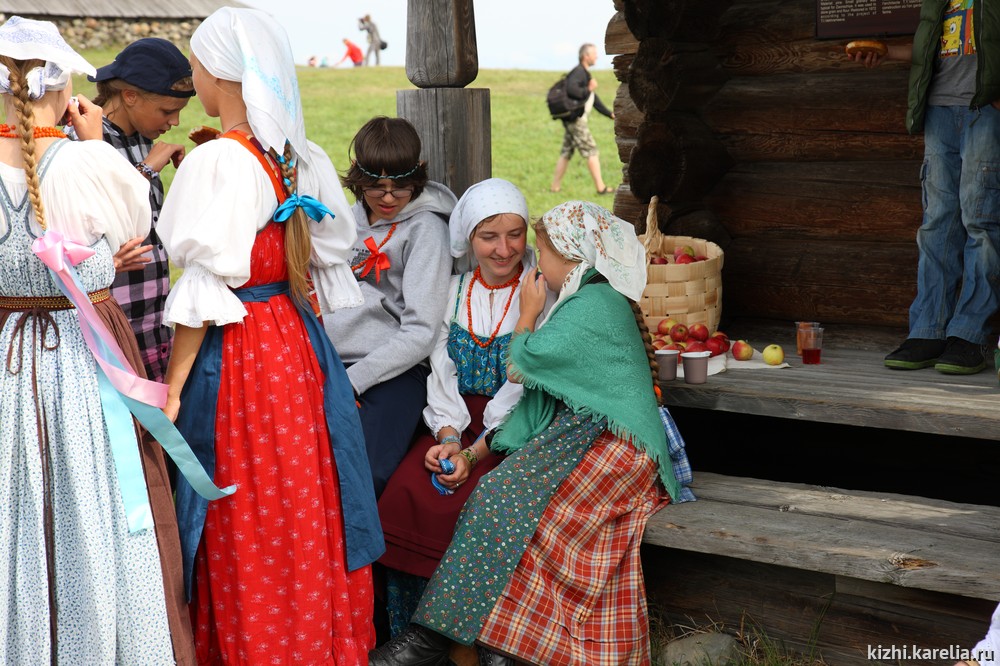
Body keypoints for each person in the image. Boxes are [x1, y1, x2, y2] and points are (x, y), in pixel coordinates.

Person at [370, 201, 691, 666]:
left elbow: (523, 364)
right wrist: (479, 453)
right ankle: (485, 646)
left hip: (622, 448)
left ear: (573, 256)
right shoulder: (582, 297)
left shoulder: (593, 302)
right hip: (585, 435)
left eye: (541, 251)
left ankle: (448, 642)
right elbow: (542, 404)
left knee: (516, 503)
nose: (536, 263)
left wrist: (526, 313)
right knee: (501, 495)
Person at [157, 7, 383, 663]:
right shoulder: (291, 157)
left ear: (219, 73)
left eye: (196, 64)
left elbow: (204, 293)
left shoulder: (223, 162)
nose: (194, 76)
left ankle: (262, 645)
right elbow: (332, 250)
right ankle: (311, 641)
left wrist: (172, 389)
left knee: (247, 511)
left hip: (244, 353)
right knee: (301, 504)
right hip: (293, 341)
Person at [0, 16, 186, 664]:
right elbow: (138, 216)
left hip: (7, 360)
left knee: (17, 503)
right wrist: (88, 140)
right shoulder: (83, 161)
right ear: (61, 87)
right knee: (88, 501)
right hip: (78, 362)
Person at [376, 179, 552, 649]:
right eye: (488, 237)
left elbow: (526, 380)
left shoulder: (538, 292)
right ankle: (409, 635)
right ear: (468, 238)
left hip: (514, 423)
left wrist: (474, 451)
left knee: (474, 501)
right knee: (406, 489)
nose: (503, 249)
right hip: (455, 417)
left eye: (515, 234)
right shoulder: (453, 291)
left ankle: (474, 641)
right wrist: (448, 434)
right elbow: (441, 368)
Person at [851, 1, 1000, 374]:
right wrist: (886, 52)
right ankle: (929, 329)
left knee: (980, 222)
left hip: (985, 108)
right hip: (939, 109)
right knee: (937, 223)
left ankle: (970, 333)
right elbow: (935, 50)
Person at [324, 115, 455, 499]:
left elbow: (421, 332)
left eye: (399, 187)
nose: (387, 197)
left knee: (362, 473)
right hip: (331, 363)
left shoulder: (426, 229)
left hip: (394, 370)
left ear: (416, 179)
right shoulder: (341, 224)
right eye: (374, 186)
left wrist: (352, 382)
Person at [71, 38, 192, 384]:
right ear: (130, 96)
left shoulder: (143, 139)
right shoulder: (79, 141)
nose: (175, 122)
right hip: (113, 326)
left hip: (154, 322)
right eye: (167, 111)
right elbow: (98, 220)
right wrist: (146, 171)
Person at [550, 43, 616, 196]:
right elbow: (574, 90)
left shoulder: (582, 73)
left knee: (566, 152)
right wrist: (589, 88)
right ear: (585, 56)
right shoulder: (579, 72)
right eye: (594, 53)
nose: (597, 56)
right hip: (576, 120)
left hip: (571, 120)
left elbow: (592, 98)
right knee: (591, 150)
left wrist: (609, 113)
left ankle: (554, 187)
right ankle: (601, 188)